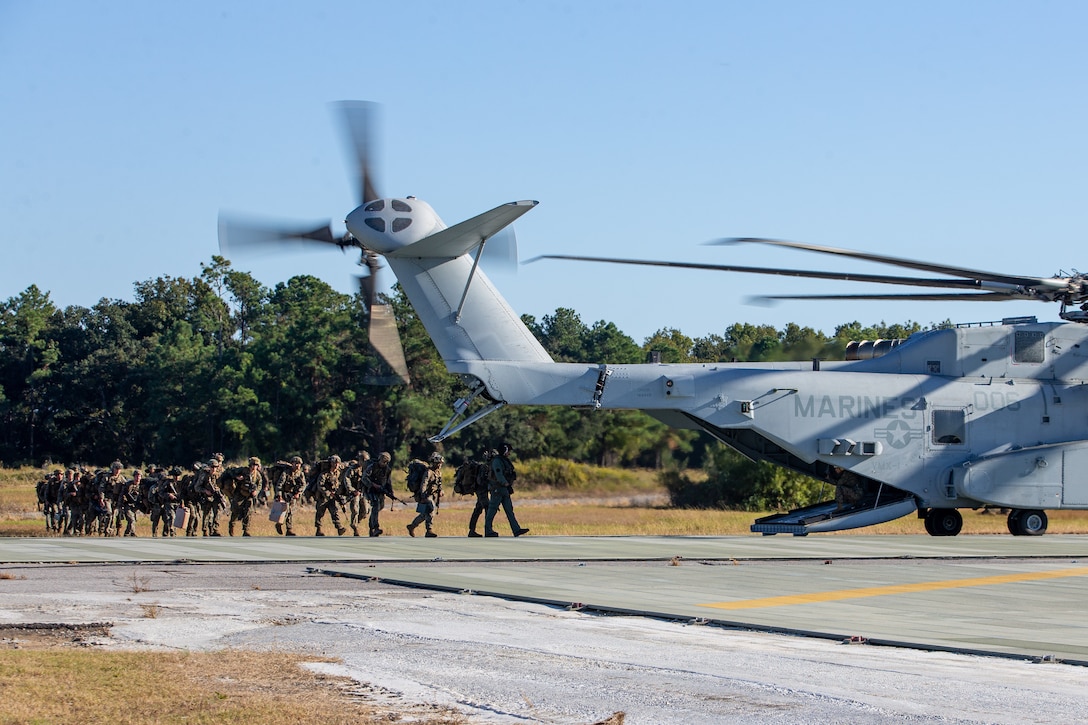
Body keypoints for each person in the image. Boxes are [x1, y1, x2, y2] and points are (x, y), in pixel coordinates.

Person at [484, 443, 529, 537]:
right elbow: (498, 474)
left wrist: (507, 485)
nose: (509, 453)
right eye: (508, 451)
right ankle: (488, 530)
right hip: (498, 488)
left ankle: (516, 529)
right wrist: (505, 483)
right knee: (492, 509)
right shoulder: (497, 461)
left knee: (509, 510)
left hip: (503, 489)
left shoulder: (502, 460)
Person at [407, 452, 443, 538]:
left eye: (440, 463)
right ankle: (429, 530)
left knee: (424, 514)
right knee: (431, 509)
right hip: (426, 495)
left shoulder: (438, 473)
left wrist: (441, 491)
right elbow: (424, 483)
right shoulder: (429, 472)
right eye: (438, 463)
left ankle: (412, 526)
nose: (440, 465)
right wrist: (423, 496)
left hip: (432, 495)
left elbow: (438, 484)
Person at [270, 456, 306, 536]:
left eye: (299, 464)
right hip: (284, 493)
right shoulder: (286, 473)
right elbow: (280, 484)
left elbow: (303, 485)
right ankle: (279, 524)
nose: (297, 465)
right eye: (296, 463)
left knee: (291, 512)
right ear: (292, 464)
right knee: (285, 511)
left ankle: (289, 529)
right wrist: (279, 495)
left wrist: (298, 493)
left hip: (293, 494)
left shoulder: (300, 474)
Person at [228, 457, 263, 536]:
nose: (254, 467)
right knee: (235, 509)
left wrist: (256, 492)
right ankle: (231, 526)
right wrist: (237, 477)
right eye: (253, 465)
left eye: (256, 465)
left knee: (248, 512)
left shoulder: (257, 475)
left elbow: (259, 485)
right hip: (240, 493)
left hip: (249, 495)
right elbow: (231, 472)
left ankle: (246, 530)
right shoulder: (243, 470)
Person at [312, 455, 347, 536]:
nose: (336, 465)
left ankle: (339, 528)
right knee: (320, 513)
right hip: (322, 497)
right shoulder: (324, 474)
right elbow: (320, 485)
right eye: (335, 463)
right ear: (331, 463)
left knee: (335, 512)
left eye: (338, 463)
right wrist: (328, 493)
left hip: (333, 497)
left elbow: (339, 484)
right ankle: (318, 529)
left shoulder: (338, 473)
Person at [364, 452, 395, 537]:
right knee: (375, 505)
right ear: (379, 459)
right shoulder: (372, 467)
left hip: (381, 491)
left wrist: (391, 493)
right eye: (382, 461)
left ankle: (371, 527)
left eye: (386, 462)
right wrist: (373, 485)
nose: (383, 463)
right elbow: (364, 478)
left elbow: (388, 482)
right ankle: (375, 527)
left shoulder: (387, 470)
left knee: (379, 507)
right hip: (371, 490)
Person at [341, 452, 370, 536]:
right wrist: (352, 490)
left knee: (365, 511)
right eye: (363, 460)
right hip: (354, 493)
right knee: (355, 510)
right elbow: (347, 480)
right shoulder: (352, 470)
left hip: (363, 492)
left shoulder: (367, 469)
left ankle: (357, 522)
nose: (365, 462)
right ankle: (355, 527)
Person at [466, 451, 494, 537]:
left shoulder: (488, 467)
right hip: (481, 491)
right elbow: (480, 481)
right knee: (487, 508)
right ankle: (488, 530)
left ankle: (472, 530)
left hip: (482, 491)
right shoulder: (484, 468)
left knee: (478, 509)